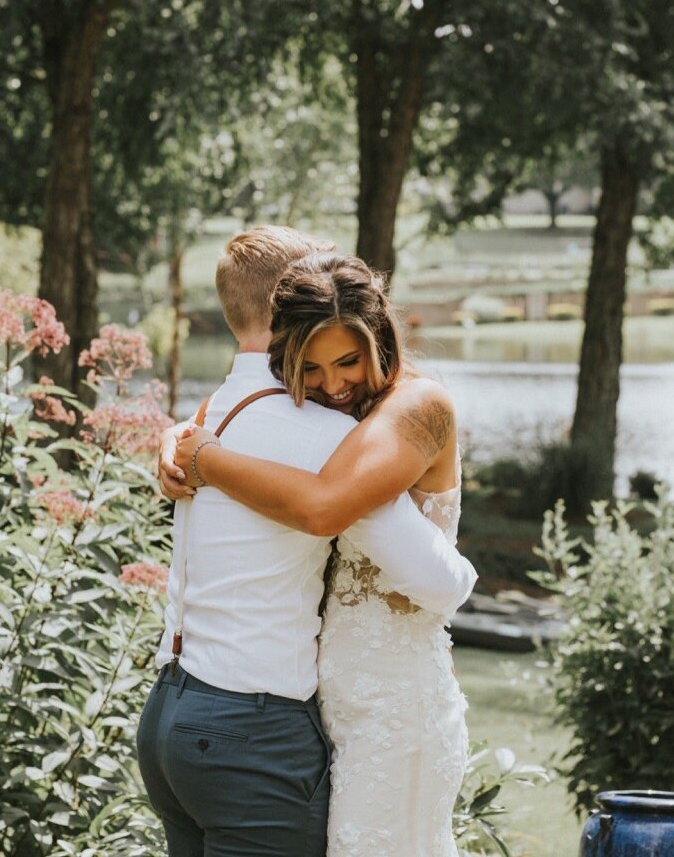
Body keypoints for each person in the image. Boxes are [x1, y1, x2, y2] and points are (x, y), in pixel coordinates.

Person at [135, 227, 477, 857]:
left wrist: (200, 452)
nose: (332, 382)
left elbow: (352, 525)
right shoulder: (308, 428)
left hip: (204, 713)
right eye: (315, 365)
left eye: (346, 361)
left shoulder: (225, 415)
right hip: (277, 723)